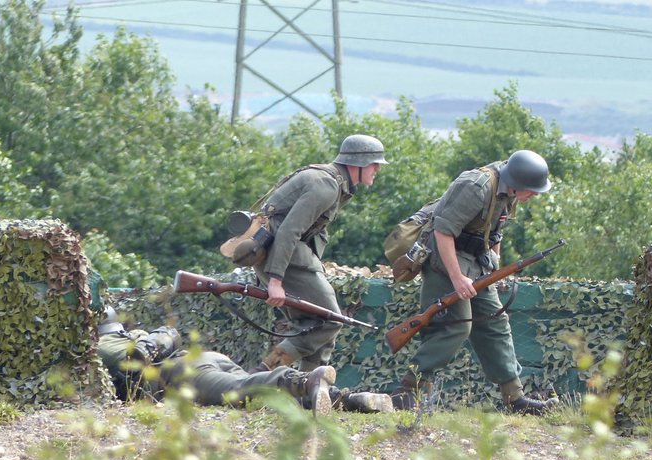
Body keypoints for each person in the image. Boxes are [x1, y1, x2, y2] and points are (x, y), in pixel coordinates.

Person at [391, 150, 558, 416]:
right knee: (454, 327)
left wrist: (496, 269)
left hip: (475, 261)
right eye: (532, 190)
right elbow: (443, 231)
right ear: (516, 182)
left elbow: (495, 232)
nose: (535, 196)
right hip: (444, 258)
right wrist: (457, 278)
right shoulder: (475, 187)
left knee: (495, 322)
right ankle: (408, 392)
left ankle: (515, 398)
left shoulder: (510, 193)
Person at [252, 134, 388, 373]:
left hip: (284, 255)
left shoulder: (331, 180)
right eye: (374, 163)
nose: (377, 169)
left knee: (315, 323)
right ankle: (263, 373)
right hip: (283, 256)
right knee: (332, 319)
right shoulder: (325, 186)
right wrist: (275, 280)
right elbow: (288, 232)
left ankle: (309, 387)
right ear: (358, 164)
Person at [96, 307, 392, 414]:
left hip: (181, 373)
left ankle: (305, 379)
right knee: (258, 394)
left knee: (245, 390)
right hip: (206, 358)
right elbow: (170, 333)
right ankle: (349, 399)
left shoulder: (100, 348)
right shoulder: (136, 334)